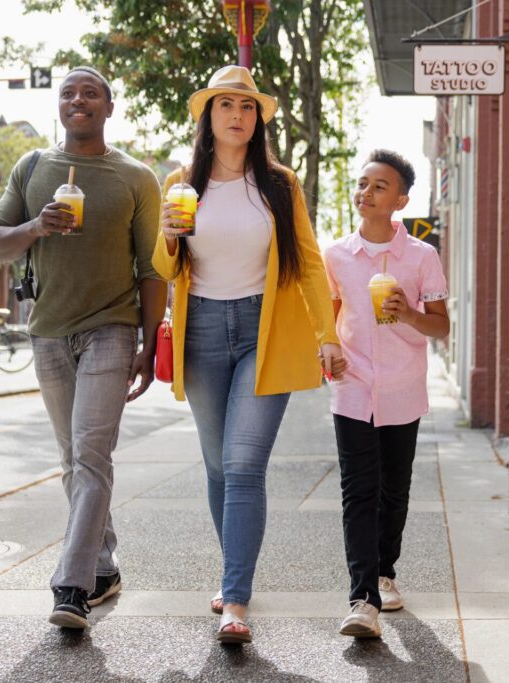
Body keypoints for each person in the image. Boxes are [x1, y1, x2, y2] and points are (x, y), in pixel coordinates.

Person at [154, 65, 346, 645]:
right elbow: (165, 269)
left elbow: (309, 263)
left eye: (246, 106)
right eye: (225, 105)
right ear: (208, 117)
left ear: (257, 118)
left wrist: (327, 334)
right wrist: (166, 235)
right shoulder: (182, 183)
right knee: (217, 466)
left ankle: (236, 598)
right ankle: (232, 569)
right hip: (202, 334)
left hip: (264, 332)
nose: (237, 115)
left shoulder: (280, 185)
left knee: (242, 466)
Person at [0, 66, 167, 630]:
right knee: (73, 461)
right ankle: (105, 565)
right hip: (49, 333)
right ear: (58, 108)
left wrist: (149, 341)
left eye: (90, 92)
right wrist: (37, 226)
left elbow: (152, 268)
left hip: (112, 328)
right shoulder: (32, 168)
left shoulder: (136, 178)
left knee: (91, 456)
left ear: (109, 107)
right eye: (68, 92)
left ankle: (71, 585)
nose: (77, 99)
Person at [323, 149, 450, 639]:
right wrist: (327, 348)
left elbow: (440, 327)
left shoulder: (422, 257)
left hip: (401, 388)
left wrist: (408, 313)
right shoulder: (336, 256)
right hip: (352, 387)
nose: (366, 192)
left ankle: (385, 572)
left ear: (400, 199)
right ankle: (362, 599)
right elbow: (330, 319)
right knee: (358, 491)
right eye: (362, 183)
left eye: (379, 185)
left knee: (393, 489)